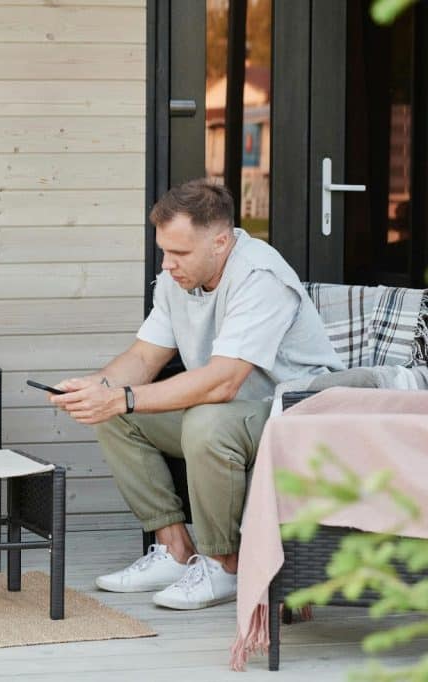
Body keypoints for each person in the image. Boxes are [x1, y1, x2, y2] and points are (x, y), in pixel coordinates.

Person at [50, 179, 342, 610]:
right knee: (115, 414)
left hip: (294, 413)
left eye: (180, 253)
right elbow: (144, 358)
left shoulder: (260, 276)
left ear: (221, 242)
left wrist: (123, 396)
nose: (168, 264)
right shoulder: (177, 279)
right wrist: (98, 388)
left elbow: (224, 381)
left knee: (203, 420)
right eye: (164, 250)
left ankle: (224, 564)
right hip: (235, 411)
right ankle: (175, 551)